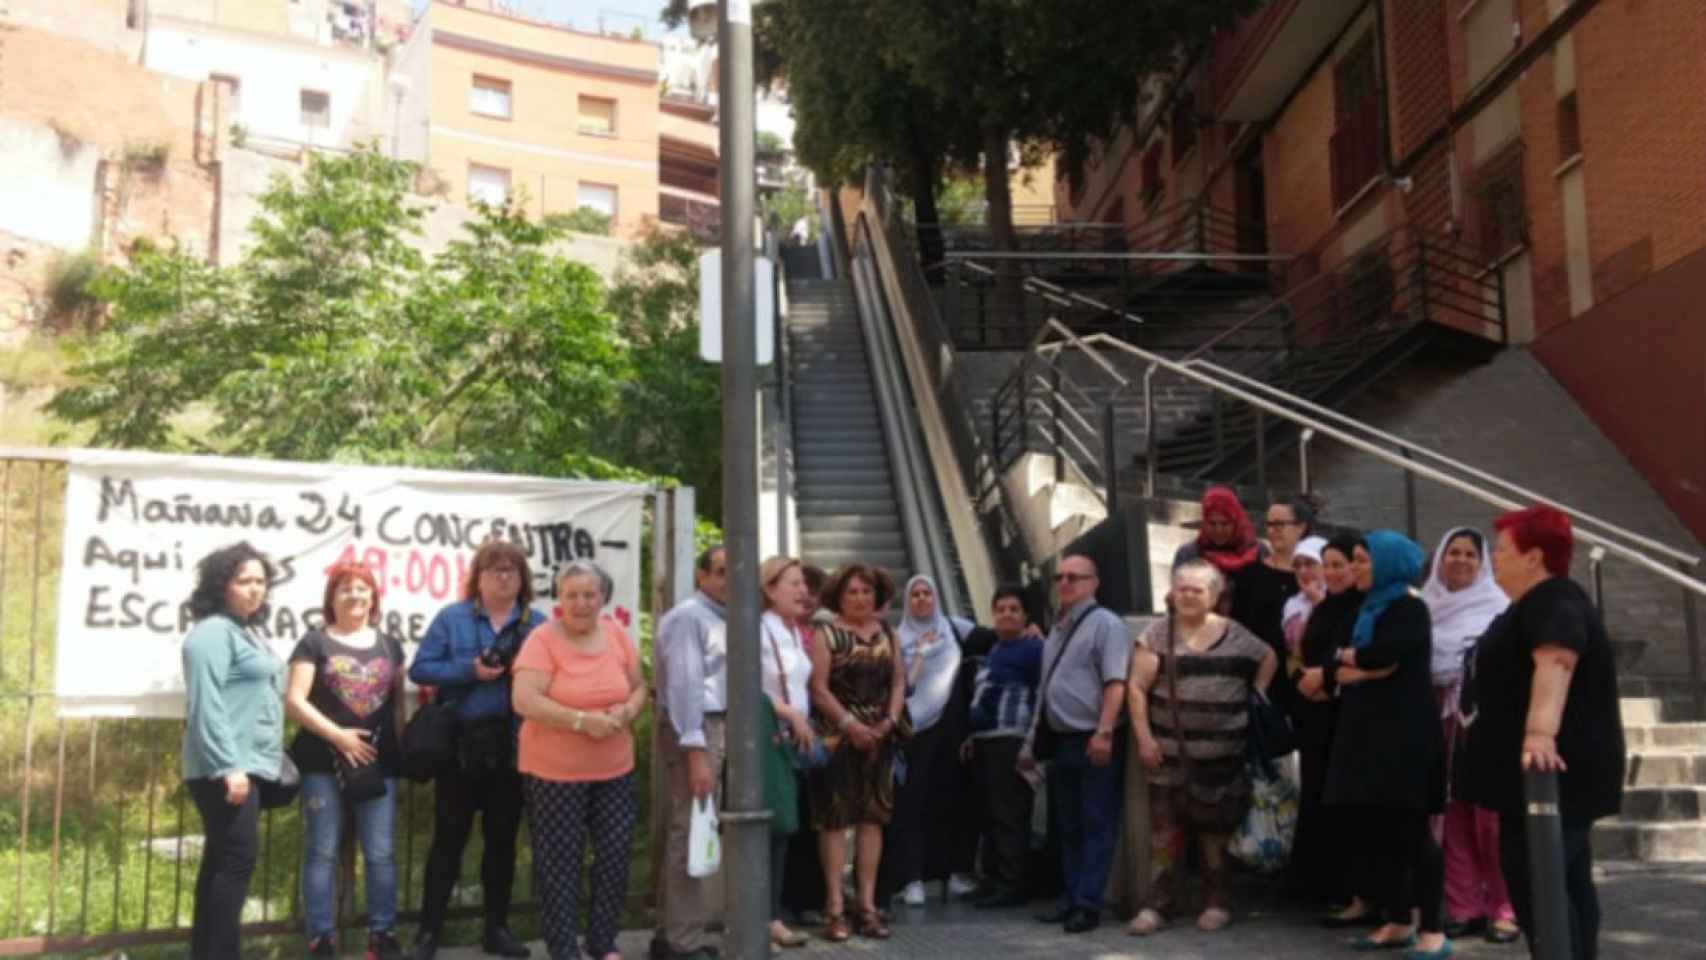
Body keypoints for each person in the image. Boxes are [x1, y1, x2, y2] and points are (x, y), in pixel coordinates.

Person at [1466, 506, 1626, 960]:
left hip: (1552, 777)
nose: (1494, 558)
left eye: (1501, 550)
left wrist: (1539, 734)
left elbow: (1556, 659)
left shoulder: (1554, 600)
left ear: (1533, 557)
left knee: (1540, 882)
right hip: (1539, 779)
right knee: (1565, 883)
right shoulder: (1533, 604)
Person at [1126, 559, 1277, 936]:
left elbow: (1269, 658)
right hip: (1167, 759)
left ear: (1214, 596)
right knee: (1164, 838)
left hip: (1223, 760)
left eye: (1197, 589)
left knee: (1215, 839)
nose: (1189, 595)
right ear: (1172, 593)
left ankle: (1216, 903)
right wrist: (1144, 738)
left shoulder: (1237, 634)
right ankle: (1157, 907)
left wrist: (1255, 695)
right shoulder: (1156, 635)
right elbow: (1136, 688)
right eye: (1182, 589)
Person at [409, 540, 544, 960]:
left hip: (514, 746)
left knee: (502, 841)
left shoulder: (538, 624)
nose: (503, 576)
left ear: (522, 579)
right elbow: (420, 668)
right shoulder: (452, 618)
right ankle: (429, 933)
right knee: (448, 840)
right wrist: (471, 670)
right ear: (478, 577)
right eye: (494, 570)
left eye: (511, 570)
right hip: (460, 746)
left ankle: (496, 929)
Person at [511, 561, 647, 960]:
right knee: (559, 865)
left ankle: (603, 943)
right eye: (571, 595)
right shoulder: (542, 639)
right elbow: (524, 699)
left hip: (615, 770)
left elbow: (639, 688)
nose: (581, 603)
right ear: (559, 599)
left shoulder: (618, 634)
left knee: (614, 857)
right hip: (556, 774)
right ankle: (564, 949)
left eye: (589, 594)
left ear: (603, 598)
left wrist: (625, 712)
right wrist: (580, 721)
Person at [1324, 531, 1450, 959]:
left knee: (1412, 832)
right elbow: (1330, 653)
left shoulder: (1410, 608)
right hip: (1365, 733)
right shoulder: (1363, 608)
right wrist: (1362, 665)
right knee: (1378, 832)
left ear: (1388, 563)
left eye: (1363, 560)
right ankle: (1397, 919)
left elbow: (1388, 653)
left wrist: (1357, 662)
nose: (1356, 567)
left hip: (1403, 737)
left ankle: (1432, 928)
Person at [284, 561, 407, 959]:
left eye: (362, 588)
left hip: (378, 765)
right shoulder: (313, 643)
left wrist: (400, 754)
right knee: (322, 850)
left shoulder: (390, 645)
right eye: (345, 589)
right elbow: (294, 701)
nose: (355, 596)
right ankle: (321, 938)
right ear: (331, 598)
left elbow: (397, 708)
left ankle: (382, 935)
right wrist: (337, 736)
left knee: (381, 852)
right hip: (322, 762)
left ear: (373, 597)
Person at [180, 542, 285, 960]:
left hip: (244, 765)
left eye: (261, 581)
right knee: (236, 863)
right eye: (244, 581)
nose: (255, 589)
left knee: (221, 863)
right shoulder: (210, 635)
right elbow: (206, 705)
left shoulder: (244, 631)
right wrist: (228, 767)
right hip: (224, 769)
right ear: (221, 585)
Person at [1021, 553, 1131, 934]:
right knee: (1067, 825)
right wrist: (1031, 740)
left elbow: (1116, 682)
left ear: (1093, 582)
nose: (1065, 583)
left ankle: (1087, 904)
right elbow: (1045, 688)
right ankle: (1069, 897)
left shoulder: (1107, 625)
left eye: (1075, 577)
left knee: (1096, 820)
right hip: (1061, 741)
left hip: (1093, 737)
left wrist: (1104, 732)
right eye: (1059, 577)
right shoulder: (1057, 629)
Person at [1421, 527, 1520, 944]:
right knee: (1452, 816)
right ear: (1440, 558)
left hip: (1485, 725)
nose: (1460, 560)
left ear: (1482, 565)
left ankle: (1504, 908)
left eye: (1470, 555)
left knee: (1490, 821)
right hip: (1438, 723)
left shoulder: (1499, 609)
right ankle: (1463, 906)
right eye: (1453, 553)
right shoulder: (1424, 608)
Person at [807, 563, 908, 942]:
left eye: (867, 591)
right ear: (839, 597)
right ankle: (834, 906)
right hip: (838, 737)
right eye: (852, 592)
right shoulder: (826, 634)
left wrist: (889, 721)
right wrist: (852, 726)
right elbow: (819, 688)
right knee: (835, 821)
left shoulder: (889, 633)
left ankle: (866, 905)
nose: (861, 598)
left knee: (872, 819)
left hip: (881, 737)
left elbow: (898, 682)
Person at [652, 545, 729, 960]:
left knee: (693, 827)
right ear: (701, 576)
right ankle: (682, 941)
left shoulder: (723, 618)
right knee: (691, 828)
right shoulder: (689, 618)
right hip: (695, 729)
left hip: (715, 726)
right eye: (720, 571)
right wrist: (696, 749)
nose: (729, 579)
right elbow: (685, 687)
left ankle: (672, 933)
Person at [878, 574, 973, 907]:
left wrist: (1032, 631)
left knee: (950, 801)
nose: (921, 600)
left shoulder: (954, 629)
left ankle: (951, 875)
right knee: (910, 804)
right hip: (911, 730)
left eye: (927, 593)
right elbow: (898, 686)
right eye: (915, 595)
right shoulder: (897, 638)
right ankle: (912, 878)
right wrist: (918, 656)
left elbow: (993, 638)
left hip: (950, 729)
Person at [1292, 533, 1368, 916]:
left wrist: (1328, 679)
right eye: (1331, 565)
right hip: (1317, 718)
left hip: (1347, 716)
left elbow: (1362, 659)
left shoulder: (1365, 607)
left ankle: (1351, 889)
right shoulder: (1325, 608)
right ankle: (1321, 884)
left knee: (1345, 801)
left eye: (1343, 565)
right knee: (1319, 795)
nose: (1336, 573)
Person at [961, 585, 1044, 909]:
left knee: (1010, 815)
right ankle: (992, 879)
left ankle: (1013, 884)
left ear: (1025, 616)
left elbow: (1041, 695)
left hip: (1012, 741)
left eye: (1014, 609)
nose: (1007, 614)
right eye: (1001, 609)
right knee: (989, 816)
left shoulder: (1034, 649)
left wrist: (1031, 743)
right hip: (985, 743)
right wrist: (972, 736)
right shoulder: (995, 650)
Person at [758, 556, 816, 949]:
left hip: (790, 741)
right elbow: (743, 682)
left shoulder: (792, 631)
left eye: (803, 583)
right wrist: (789, 712)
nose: (803, 591)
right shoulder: (758, 630)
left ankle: (772, 914)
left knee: (784, 829)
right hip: (768, 737)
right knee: (770, 830)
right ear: (769, 589)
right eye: (793, 583)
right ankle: (763, 917)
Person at [781, 562, 831, 921]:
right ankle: (788, 901)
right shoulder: (778, 631)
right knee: (792, 816)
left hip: (822, 733)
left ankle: (812, 898)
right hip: (790, 731)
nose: (807, 597)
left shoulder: (824, 630)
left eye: (813, 590)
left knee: (817, 817)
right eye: (800, 588)